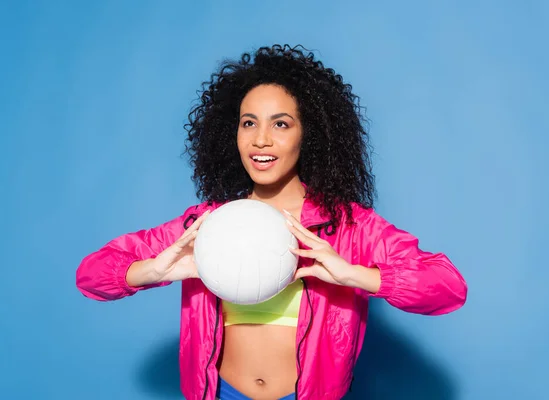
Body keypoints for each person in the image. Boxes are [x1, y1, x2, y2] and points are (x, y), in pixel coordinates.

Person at [76, 44, 468, 400]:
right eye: (249, 123)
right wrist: (153, 269)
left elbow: (448, 288)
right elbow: (90, 275)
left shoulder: (349, 226)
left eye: (280, 124)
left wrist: (354, 275)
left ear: (308, 135)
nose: (260, 139)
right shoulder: (205, 225)